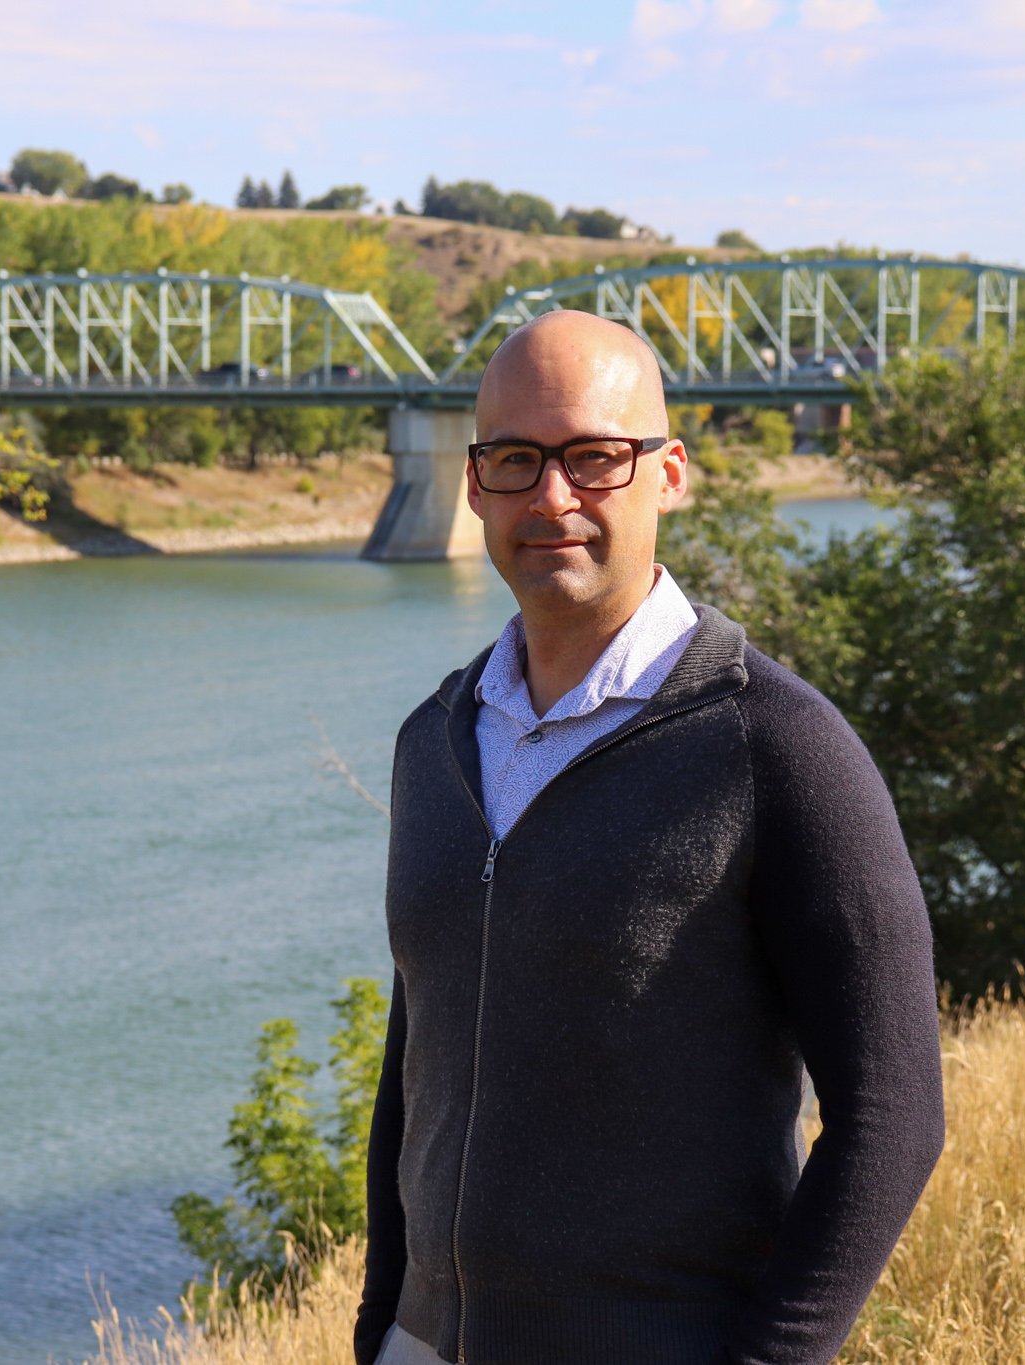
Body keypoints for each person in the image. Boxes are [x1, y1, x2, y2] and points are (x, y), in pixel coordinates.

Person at [354, 311, 945, 1365]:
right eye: (514, 459)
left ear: (667, 474)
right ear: (474, 482)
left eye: (593, 457)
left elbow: (892, 1114)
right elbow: (417, 1060)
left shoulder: (774, 745)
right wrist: (381, 1325)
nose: (551, 497)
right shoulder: (432, 741)